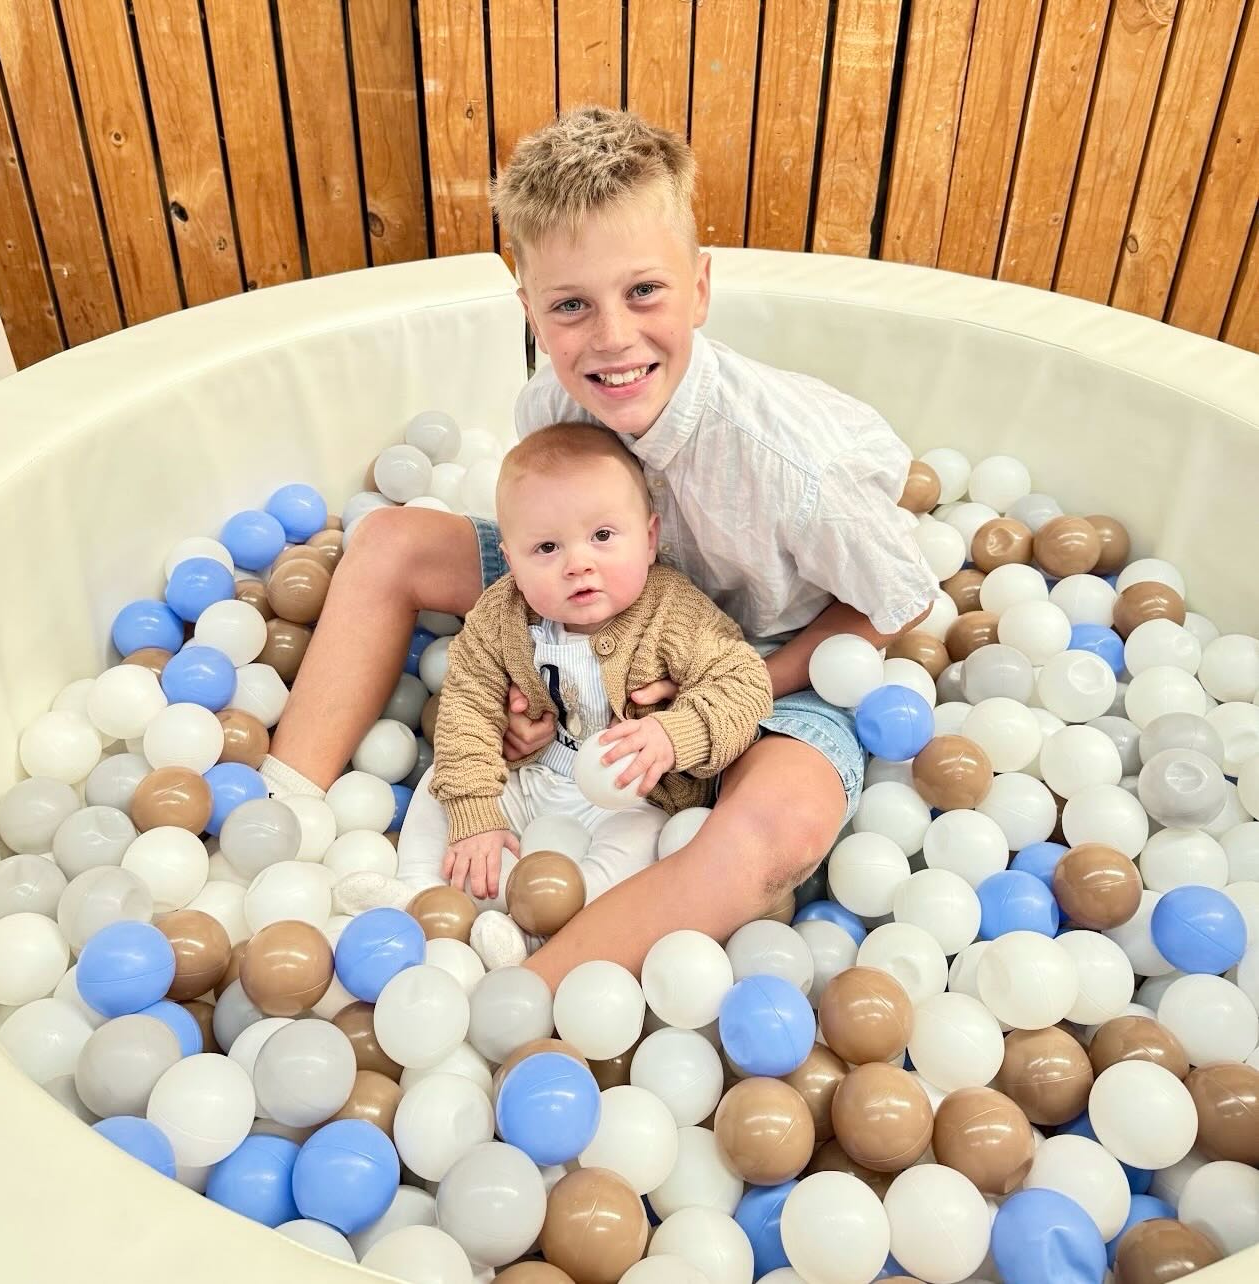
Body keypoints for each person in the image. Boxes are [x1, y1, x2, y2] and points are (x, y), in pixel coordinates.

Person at [264, 106, 937, 989]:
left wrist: (725, 693)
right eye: (572, 306)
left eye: (644, 292)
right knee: (387, 539)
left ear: (699, 287)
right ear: (529, 310)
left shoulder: (784, 463)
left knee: (783, 829)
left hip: (773, 649)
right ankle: (280, 830)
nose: (613, 339)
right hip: (600, 582)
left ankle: (522, 997)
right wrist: (539, 669)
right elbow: (542, 560)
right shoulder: (551, 405)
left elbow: (903, 598)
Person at [370, 422, 772, 968]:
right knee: (441, 787)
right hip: (533, 775)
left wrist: (671, 735)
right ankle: (417, 896)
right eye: (547, 547)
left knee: (645, 858)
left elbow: (744, 682)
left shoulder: (672, 612)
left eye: (604, 536)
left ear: (650, 538)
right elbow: (467, 705)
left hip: (633, 797)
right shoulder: (501, 614)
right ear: (510, 561)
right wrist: (475, 811)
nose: (578, 563)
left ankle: (540, 934)